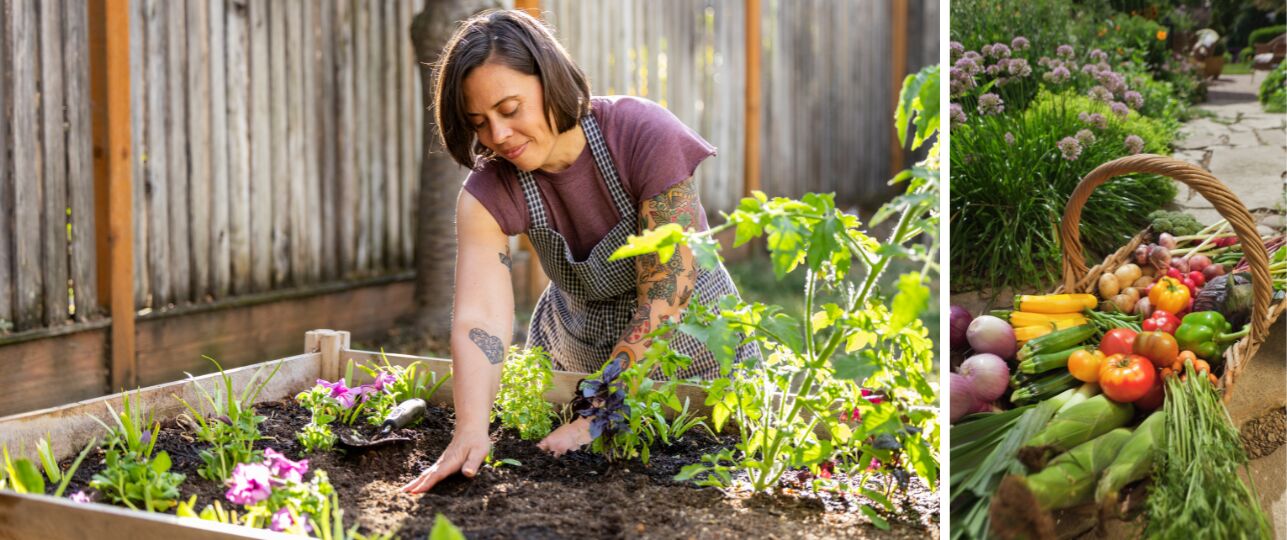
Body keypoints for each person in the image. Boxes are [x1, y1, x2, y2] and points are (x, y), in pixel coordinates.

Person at [401, 9, 757, 495]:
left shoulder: (641, 133)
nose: (497, 135)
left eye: (510, 109)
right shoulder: (488, 193)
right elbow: (480, 318)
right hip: (575, 346)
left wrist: (599, 413)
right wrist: (470, 429)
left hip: (694, 346)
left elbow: (666, 291)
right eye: (479, 122)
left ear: (550, 80)